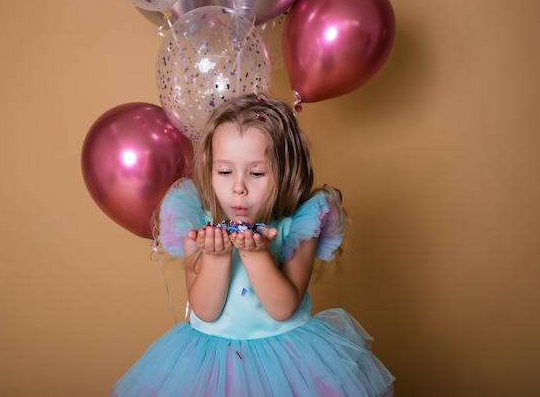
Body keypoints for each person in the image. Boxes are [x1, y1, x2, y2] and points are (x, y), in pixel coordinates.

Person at [109, 94, 395, 396]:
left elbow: (283, 308)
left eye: (257, 173)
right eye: (224, 172)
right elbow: (205, 311)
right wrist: (216, 257)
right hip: (210, 365)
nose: (238, 187)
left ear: (286, 173)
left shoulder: (299, 226)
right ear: (209, 171)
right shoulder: (196, 223)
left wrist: (254, 252)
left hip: (288, 363)